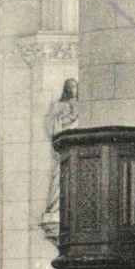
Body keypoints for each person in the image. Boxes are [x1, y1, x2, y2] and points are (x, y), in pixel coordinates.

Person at [41, 77, 78, 241]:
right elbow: (50, 124)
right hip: (62, 148)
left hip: (77, 150)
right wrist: (64, 120)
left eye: (75, 87)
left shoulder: (82, 106)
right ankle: (55, 208)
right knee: (59, 176)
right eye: (69, 87)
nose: (72, 90)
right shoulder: (57, 105)